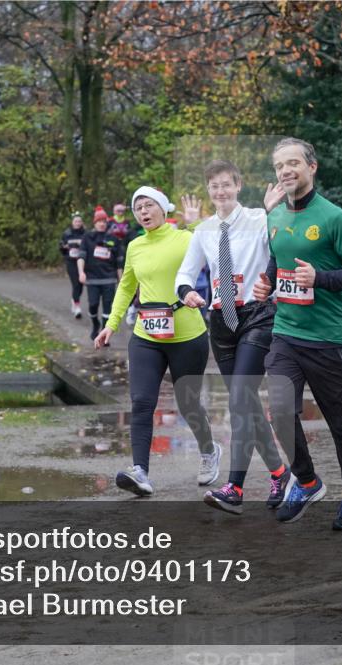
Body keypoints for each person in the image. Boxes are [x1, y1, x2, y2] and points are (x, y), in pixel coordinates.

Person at [253, 137, 342, 530]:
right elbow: (279, 260)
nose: (285, 171)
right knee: (280, 411)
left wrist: (320, 278)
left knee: (340, 423)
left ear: (312, 167)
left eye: (293, 163)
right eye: (279, 166)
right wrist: (267, 283)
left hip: (328, 338)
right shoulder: (275, 216)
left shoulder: (333, 217)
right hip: (286, 332)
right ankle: (306, 482)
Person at [176, 160, 290, 515]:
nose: (221, 191)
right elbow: (185, 273)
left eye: (226, 184)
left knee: (240, 397)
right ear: (209, 191)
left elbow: (281, 250)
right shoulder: (204, 231)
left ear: (238, 185)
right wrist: (186, 292)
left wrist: (274, 214)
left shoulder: (259, 218)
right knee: (248, 404)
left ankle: (235, 487)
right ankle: (280, 473)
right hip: (221, 322)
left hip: (257, 315)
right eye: (214, 186)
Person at [95, 186, 221, 497]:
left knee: (188, 403)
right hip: (146, 334)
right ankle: (140, 471)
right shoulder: (135, 246)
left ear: (163, 209)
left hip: (187, 334)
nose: (143, 212)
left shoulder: (184, 238)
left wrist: (195, 223)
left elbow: (215, 251)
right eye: (138, 208)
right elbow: (126, 287)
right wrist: (110, 324)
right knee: (141, 402)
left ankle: (209, 451)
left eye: (149, 205)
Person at [78, 208, 124, 341]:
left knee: (107, 307)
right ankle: (95, 324)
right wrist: (81, 272)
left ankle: (104, 333)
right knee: (93, 305)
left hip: (109, 279)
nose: (102, 224)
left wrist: (121, 279)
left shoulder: (113, 239)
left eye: (104, 221)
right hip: (92, 279)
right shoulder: (87, 237)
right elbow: (81, 256)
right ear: (95, 223)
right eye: (99, 221)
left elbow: (119, 263)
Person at [60, 213, 86, 319]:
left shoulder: (86, 233)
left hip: (82, 261)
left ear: (82, 223)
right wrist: (65, 247)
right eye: (76, 221)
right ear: (72, 222)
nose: (78, 223)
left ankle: (74, 299)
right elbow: (61, 246)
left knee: (80, 284)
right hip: (71, 262)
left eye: (79, 221)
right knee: (76, 283)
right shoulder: (67, 233)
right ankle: (77, 307)